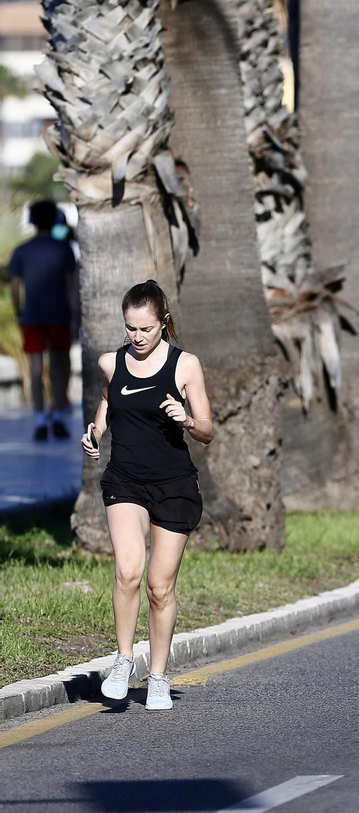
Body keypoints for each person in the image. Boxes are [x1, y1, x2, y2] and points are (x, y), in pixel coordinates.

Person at [84, 281, 212, 711]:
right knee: (128, 571)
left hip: (175, 486)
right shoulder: (111, 362)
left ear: (164, 323)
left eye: (146, 329)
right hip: (126, 481)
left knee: (160, 588)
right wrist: (97, 430)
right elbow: (109, 400)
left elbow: (209, 431)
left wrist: (188, 419)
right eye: (130, 328)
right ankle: (122, 660)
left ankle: (157, 676)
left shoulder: (185, 366)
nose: (137, 337)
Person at [7, 199, 79, 441]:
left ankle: (39, 420)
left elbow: (15, 287)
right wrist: (75, 318)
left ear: (32, 221)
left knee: (36, 369)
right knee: (61, 367)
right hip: (60, 315)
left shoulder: (22, 250)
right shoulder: (63, 249)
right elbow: (72, 288)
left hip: (33, 317)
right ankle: (58, 415)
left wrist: (19, 312)